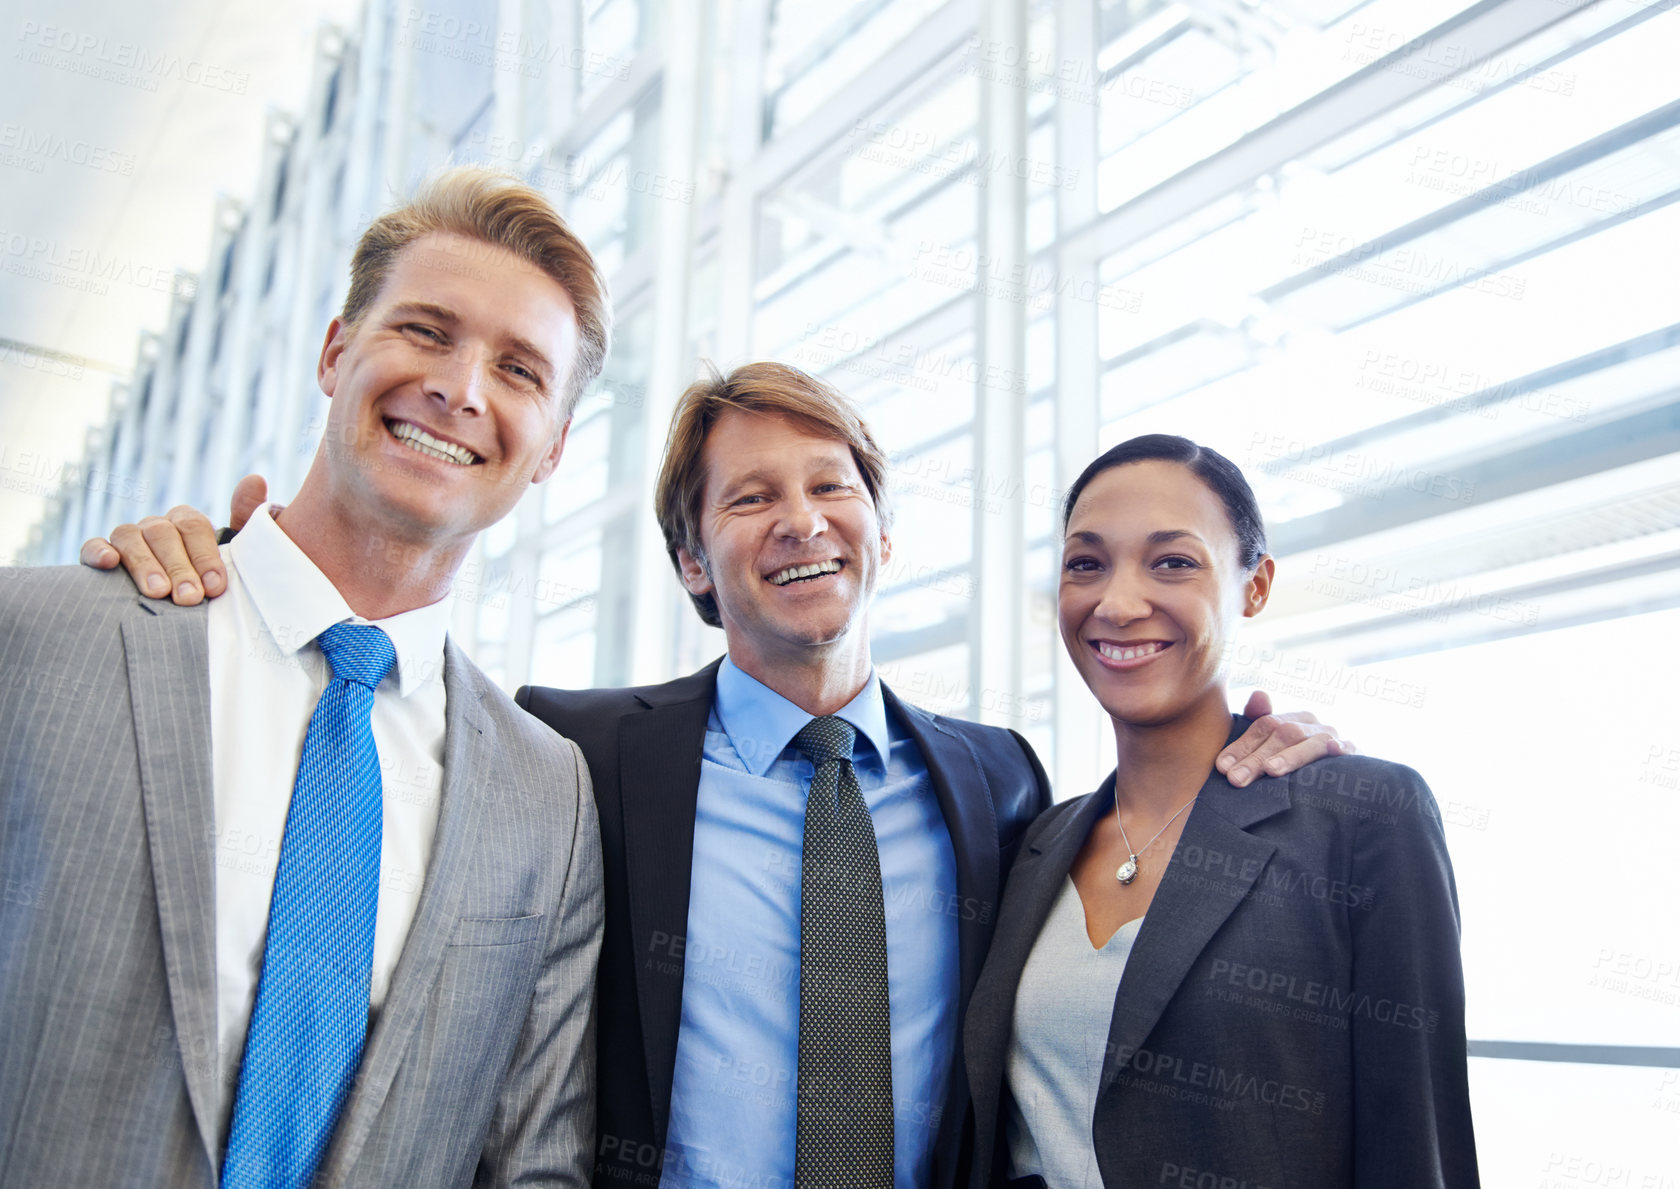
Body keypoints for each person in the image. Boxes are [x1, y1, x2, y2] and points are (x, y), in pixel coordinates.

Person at [82, 366, 1353, 1189]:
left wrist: (1266, 747)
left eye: (830, 486)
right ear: (694, 563)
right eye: (748, 499)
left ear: (882, 532)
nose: (800, 520)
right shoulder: (568, 750)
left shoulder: (999, 782)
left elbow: (1126, 894)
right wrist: (238, 579)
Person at [0, 169, 608, 1189]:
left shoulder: (551, 800)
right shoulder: (38, 638)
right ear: (336, 352)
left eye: (518, 370)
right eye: (424, 330)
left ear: (550, 451)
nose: (461, 388)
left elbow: (535, 1159)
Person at [962, 435, 1478, 1189]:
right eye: (1087, 563)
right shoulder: (1034, 842)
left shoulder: (1361, 819)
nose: (1118, 601)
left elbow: (1417, 1146)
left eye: (1173, 561)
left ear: (1255, 585)